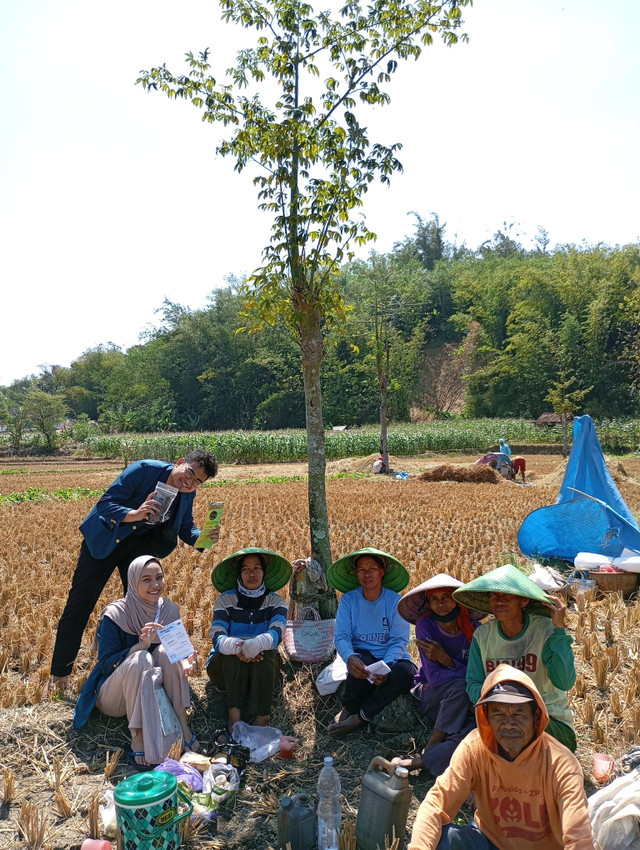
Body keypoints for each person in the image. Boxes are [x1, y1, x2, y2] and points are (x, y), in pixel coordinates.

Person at [49, 450, 218, 692]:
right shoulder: (144, 469)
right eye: (189, 473)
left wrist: (203, 538)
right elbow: (105, 503)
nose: (189, 482)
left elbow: (185, 527)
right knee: (79, 606)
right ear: (180, 462)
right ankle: (58, 677)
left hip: (139, 549)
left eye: (197, 482)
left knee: (144, 608)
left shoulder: (187, 493)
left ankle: (143, 672)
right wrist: (135, 514)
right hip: (106, 540)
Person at [407, 664, 595, 850]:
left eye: (518, 714)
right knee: (445, 839)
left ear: (536, 717)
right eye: (498, 714)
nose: (508, 725)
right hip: (489, 841)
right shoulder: (474, 749)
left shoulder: (560, 764)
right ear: (485, 718)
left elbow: (578, 837)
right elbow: (436, 804)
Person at [73, 556, 199, 767]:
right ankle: (137, 736)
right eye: (146, 579)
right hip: (116, 696)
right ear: (133, 581)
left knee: (168, 653)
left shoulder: (168, 610)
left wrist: (187, 661)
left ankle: (183, 727)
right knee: (142, 657)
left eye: (159, 578)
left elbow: (180, 651)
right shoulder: (116, 614)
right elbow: (105, 664)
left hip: (155, 691)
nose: (155, 585)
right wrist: (140, 645)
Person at [454, 564, 577, 751]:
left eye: (507, 595)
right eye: (493, 595)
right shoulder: (483, 636)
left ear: (524, 601)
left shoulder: (544, 630)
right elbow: (473, 684)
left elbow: (564, 682)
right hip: (501, 722)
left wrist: (559, 630)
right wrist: (501, 701)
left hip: (548, 721)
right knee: (467, 749)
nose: (499, 601)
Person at [326, 548, 416, 738]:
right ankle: (349, 708)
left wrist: (387, 667)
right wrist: (350, 658)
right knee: (360, 664)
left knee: (405, 674)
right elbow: (341, 636)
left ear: (382, 572)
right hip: (363, 656)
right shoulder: (349, 600)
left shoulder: (395, 601)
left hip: (392, 659)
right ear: (356, 573)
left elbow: (399, 641)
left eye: (372, 568)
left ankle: (359, 718)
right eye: (361, 569)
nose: (367, 574)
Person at [395, 574, 480, 776]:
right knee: (461, 686)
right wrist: (464, 674)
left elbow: (481, 675)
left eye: (447, 597)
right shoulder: (427, 626)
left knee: (472, 731)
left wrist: (447, 661)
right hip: (432, 693)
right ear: (429, 603)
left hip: (463, 701)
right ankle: (434, 742)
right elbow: (434, 678)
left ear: (458, 600)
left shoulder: (476, 631)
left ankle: (422, 762)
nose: (441, 603)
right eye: (435, 599)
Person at [206, 548, 292, 736]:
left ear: (264, 572)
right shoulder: (225, 600)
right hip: (225, 667)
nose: (251, 574)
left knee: (267, 655)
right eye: (245, 569)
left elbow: (276, 634)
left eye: (256, 568)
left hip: (263, 663)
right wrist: (238, 648)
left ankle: (263, 718)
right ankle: (234, 719)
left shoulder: (276, 601)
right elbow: (217, 635)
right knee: (231, 657)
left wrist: (255, 646)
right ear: (239, 574)